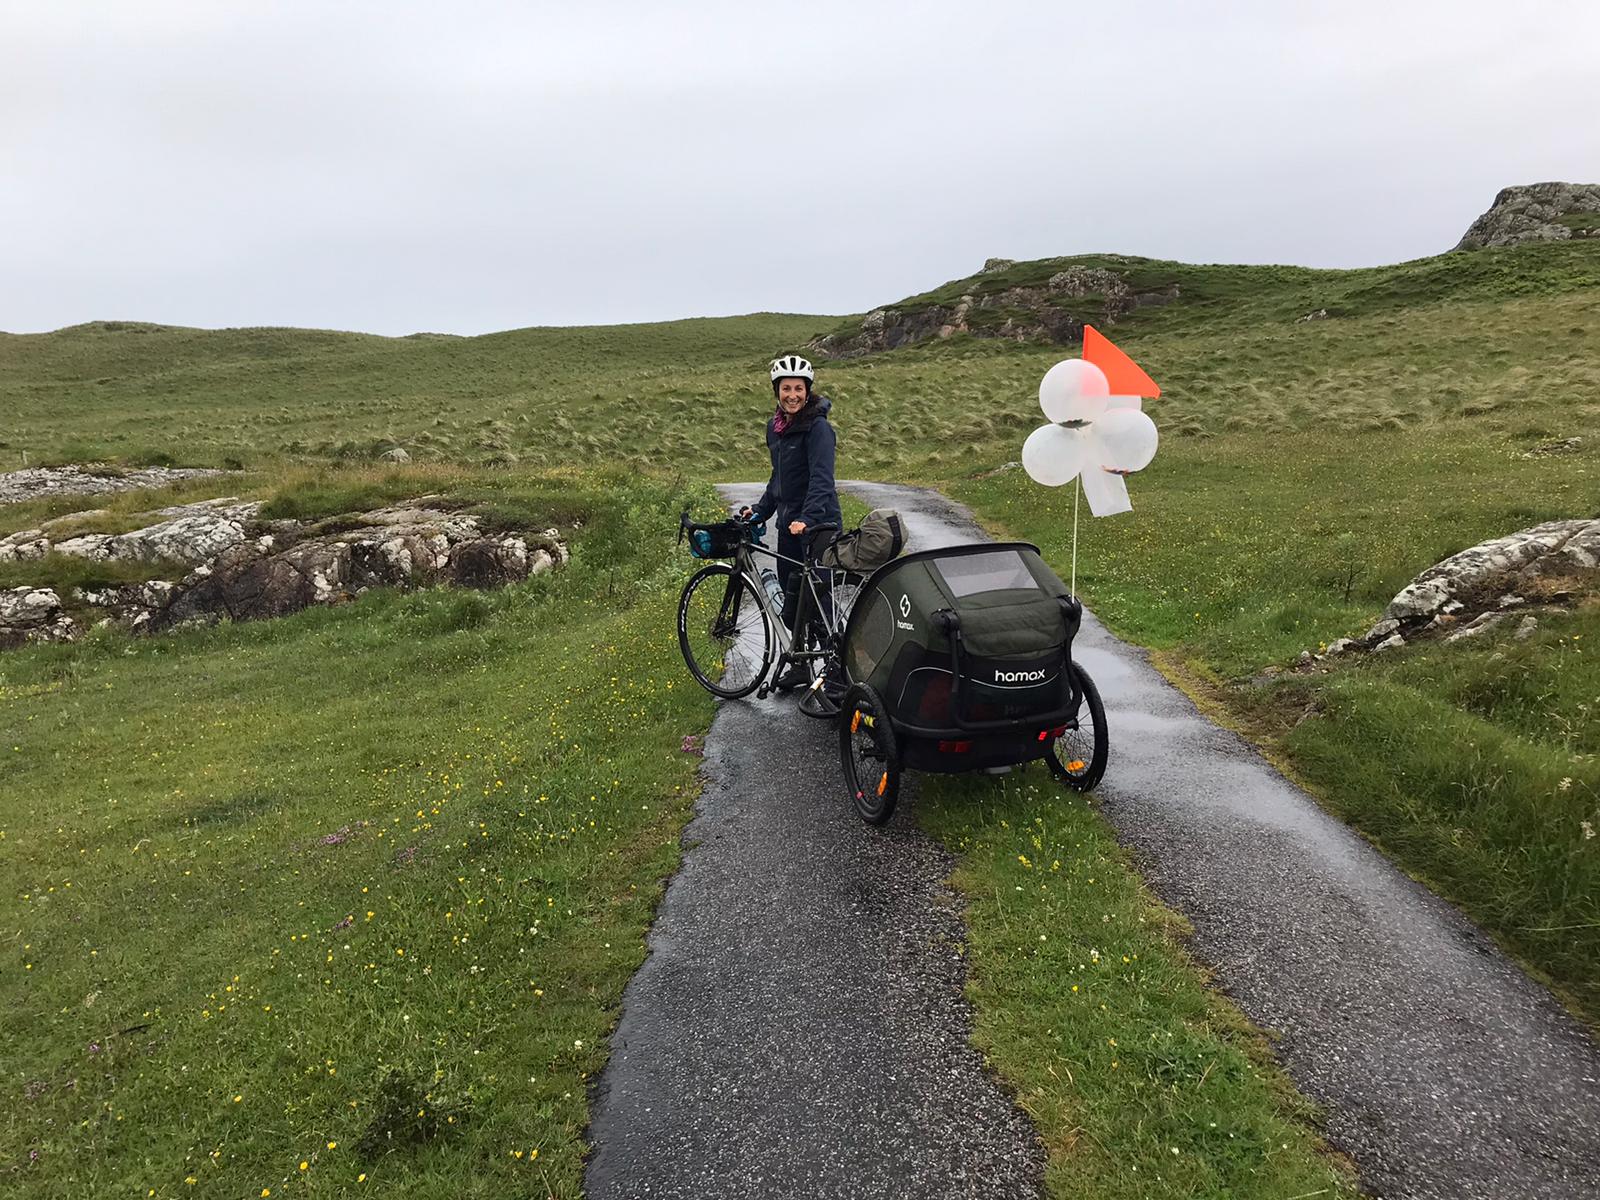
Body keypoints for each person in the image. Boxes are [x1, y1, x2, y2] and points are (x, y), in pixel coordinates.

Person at [745, 354, 842, 688]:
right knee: (793, 605)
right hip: (788, 529)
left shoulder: (818, 429)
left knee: (820, 600)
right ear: (777, 391)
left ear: (808, 390)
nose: (792, 395)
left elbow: (822, 480)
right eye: (786, 388)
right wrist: (760, 510)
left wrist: (808, 519)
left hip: (817, 527)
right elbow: (779, 480)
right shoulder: (776, 429)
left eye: (798, 389)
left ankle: (838, 672)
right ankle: (802, 667)